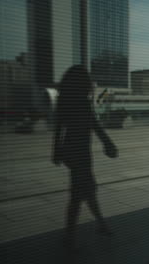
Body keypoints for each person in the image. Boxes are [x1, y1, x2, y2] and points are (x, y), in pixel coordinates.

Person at [52, 65, 118, 249]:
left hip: (74, 151)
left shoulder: (68, 100)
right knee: (79, 192)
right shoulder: (80, 101)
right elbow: (94, 124)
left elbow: (60, 127)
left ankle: (99, 225)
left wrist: (56, 150)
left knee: (87, 189)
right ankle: (71, 235)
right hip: (79, 152)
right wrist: (107, 142)